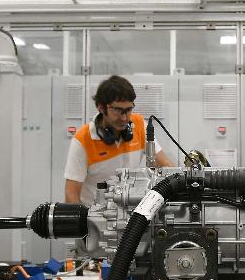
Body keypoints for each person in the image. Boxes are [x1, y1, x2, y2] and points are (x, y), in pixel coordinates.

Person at [64, 75, 175, 205]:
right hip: (94, 212)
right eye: (118, 110)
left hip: (127, 208)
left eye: (128, 110)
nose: (124, 118)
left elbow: (165, 165)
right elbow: (71, 195)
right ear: (101, 107)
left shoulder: (139, 125)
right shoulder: (83, 139)